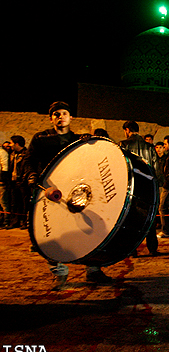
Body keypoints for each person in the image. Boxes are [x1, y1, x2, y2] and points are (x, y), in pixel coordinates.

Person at [23, 101, 113, 289]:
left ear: (71, 117)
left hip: (78, 193)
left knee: (91, 232)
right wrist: (33, 177)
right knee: (52, 234)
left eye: (64, 113)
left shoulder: (78, 140)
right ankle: (59, 272)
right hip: (50, 193)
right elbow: (29, 160)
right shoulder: (40, 139)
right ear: (51, 119)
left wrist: (91, 144)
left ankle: (93, 270)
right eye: (56, 114)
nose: (60, 116)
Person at [118, 121, 160, 256]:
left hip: (132, 186)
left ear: (127, 130)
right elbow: (156, 169)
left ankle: (132, 249)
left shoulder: (124, 144)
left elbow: (122, 165)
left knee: (131, 217)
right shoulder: (150, 147)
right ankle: (152, 248)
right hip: (149, 186)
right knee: (150, 216)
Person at [7, 136, 29, 230]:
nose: (10, 145)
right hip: (14, 181)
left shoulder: (26, 154)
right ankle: (14, 222)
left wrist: (24, 179)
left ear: (16, 144)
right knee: (14, 203)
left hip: (23, 182)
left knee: (24, 203)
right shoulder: (12, 154)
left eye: (11, 143)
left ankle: (24, 222)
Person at [0, 143, 10, 229]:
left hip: (1, 181)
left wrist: (2, 179)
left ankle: (6, 221)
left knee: (3, 202)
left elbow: (5, 167)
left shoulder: (2, 152)